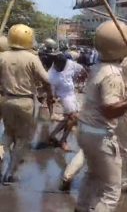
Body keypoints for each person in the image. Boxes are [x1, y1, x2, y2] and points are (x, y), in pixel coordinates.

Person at [74, 20, 127, 212]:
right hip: (99, 135)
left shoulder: (99, 66)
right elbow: (110, 110)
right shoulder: (112, 73)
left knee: (93, 175)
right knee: (112, 191)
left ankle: (80, 208)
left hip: (85, 131)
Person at [0, 24, 53, 183]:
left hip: (6, 100)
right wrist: (49, 95)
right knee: (22, 139)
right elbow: (46, 80)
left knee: (8, 133)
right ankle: (11, 173)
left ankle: (1, 152)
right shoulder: (31, 57)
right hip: (26, 102)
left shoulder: (2, 56)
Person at [48, 53, 84, 151]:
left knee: (68, 119)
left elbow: (81, 69)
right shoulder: (51, 75)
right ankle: (63, 140)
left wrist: (79, 77)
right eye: (59, 66)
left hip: (72, 93)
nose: (61, 67)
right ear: (55, 64)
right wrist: (54, 100)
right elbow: (51, 94)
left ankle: (52, 135)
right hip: (63, 96)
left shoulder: (70, 64)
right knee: (73, 117)